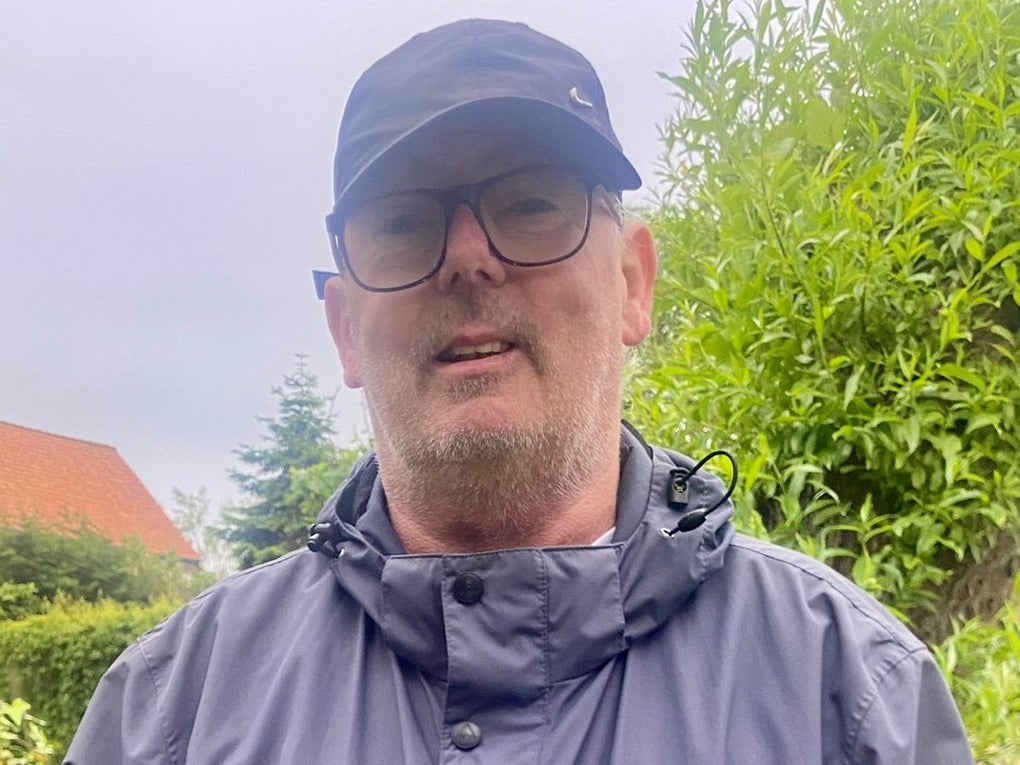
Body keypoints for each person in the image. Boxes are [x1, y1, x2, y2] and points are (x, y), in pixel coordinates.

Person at [66, 19, 974, 764]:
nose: (469, 257)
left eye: (533, 202)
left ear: (633, 283)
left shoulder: (853, 697)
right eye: (404, 221)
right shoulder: (168, 716)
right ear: (344, 329)